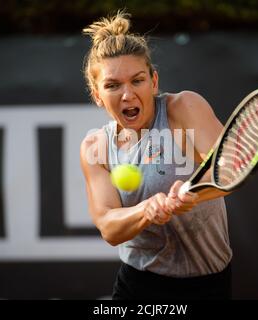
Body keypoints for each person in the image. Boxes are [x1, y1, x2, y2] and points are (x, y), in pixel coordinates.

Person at [80, 11, 233, 300]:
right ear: (97, 95)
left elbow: (229, 168)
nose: (127, 95)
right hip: (139, 285)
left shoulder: (184, 108)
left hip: (209, 282)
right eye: (112, 85)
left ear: (153, 81)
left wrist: (192, 192)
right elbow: (109, 227)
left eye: (137, 80)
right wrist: (147, 210)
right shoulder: (94, 147)